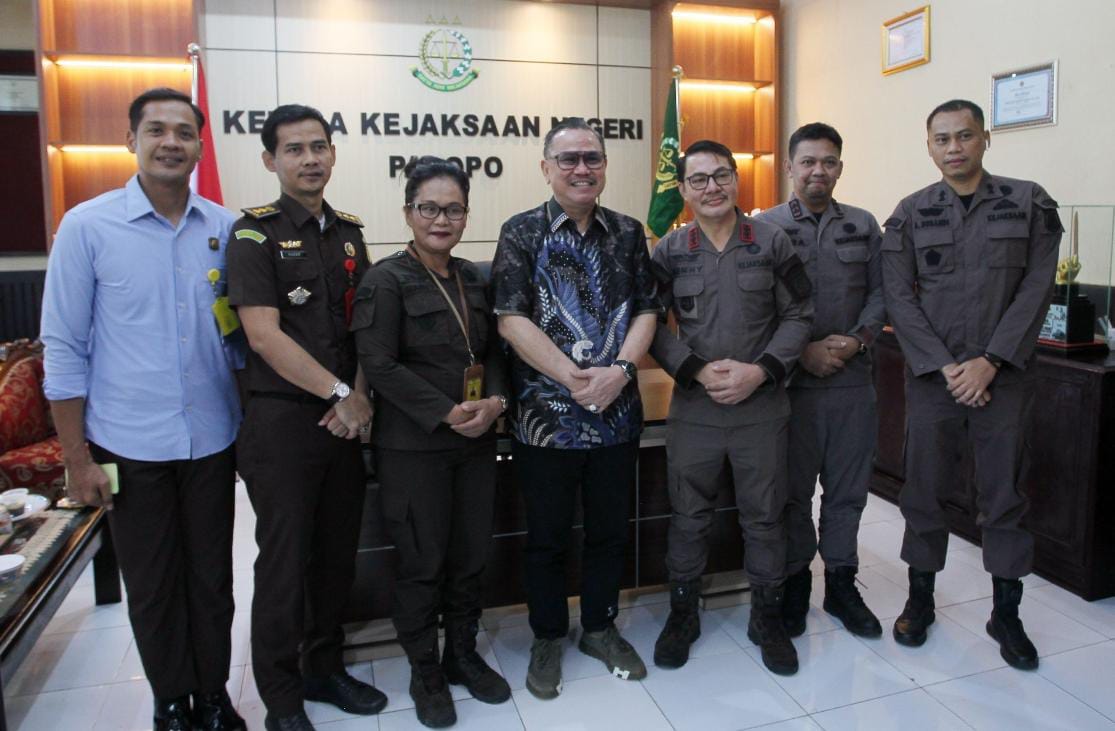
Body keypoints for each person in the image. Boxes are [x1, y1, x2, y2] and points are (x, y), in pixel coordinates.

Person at [40, 87, 246, 731]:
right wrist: (76, 458)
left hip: (212, 439)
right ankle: (171, 701)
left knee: (212, 581)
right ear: (131, 140)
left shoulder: (225, 228)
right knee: (153, 586)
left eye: (184, 132)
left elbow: (239, 341)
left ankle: (213, 696)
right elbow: (63, 348)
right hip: (127, 443)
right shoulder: (87, 227)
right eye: (156, 130)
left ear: (200, 147)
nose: (170, 143)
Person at [881, 99, 1061, 669]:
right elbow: (899, 298)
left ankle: (1005, 613)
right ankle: (920, 601)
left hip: (1003, 378)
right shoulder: (910, 213)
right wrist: (946, 366)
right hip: (935, 379)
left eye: (964, 136)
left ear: (985, 139)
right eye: (942, 139)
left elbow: (1037, 287)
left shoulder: (1028, 202)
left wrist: (992, 361)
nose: (954, 148)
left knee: (1004, 493)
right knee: (924, 490)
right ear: (929, 147)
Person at [227, 104, 386, 731]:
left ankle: (323, 669)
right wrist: (341, 392)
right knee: (284, 566)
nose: (310, 159)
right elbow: (263, 335)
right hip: (284, 425)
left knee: (335, 558)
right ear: (271, 160)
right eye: (294, 149)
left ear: (333, 154)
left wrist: (359, 398)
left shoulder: (349, 233)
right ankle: (282, 699)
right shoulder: (253, 235)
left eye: (319, 146)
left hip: (345, 422)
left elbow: (364, 326)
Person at [489, 118, 660, 699]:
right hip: (546, 423)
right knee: (548, 537)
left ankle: (601, 628)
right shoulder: (521, 232)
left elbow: (647, 309)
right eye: (568, 159)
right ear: (546, 168)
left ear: (605, 166)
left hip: (617, 417)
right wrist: (574, 378)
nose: (581, 168)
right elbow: (510, 319)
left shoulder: (629, 232)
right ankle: (547, 636)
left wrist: (621, 373)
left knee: (609, 533)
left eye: (592, 158)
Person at [352, 156, 511, 728]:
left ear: (466, 215)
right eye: (429, 208)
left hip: (475, 444)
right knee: (422, 564)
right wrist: (444, 411)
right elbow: (378, 363)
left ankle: (461, 655)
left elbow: (494, 351)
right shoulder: (384, 280)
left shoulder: (473, 277)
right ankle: (425, 672)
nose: (441, 220)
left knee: (469, 558)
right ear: (408, 213)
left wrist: (496, 402)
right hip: (413, 448)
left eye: (453, 209)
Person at [648, 139, 813, 675]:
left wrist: (761, 370)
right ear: (683, 189)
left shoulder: (771, 241)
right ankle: (683, 615)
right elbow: (649, 323)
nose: (712, 187)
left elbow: (800, 314)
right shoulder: (670, 251)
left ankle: (767, 617)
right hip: (695, 409)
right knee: (688, 516)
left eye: (721, 175)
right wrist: (692, 367)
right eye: (698, 179)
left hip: (760, 408)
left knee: (765, 518)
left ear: (736, 179)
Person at [754, 123, 886, 639]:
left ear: (840, 168)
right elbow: (757, 307)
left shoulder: (862, 224)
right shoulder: (764, 227)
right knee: (792, 494)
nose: (818, 171)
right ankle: (795, 582)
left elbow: (882, 293)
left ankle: (841, 584)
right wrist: (801, 351)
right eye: (808, 161)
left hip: (852, 383)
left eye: (828, 162)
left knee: (847, 492)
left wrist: (856, 341)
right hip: (790, 387)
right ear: (789, 167)